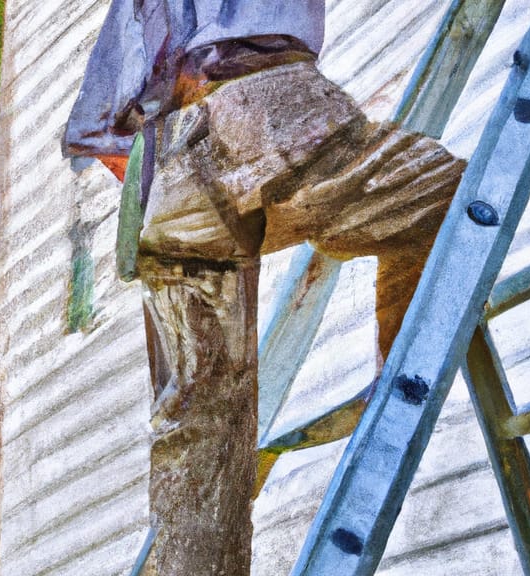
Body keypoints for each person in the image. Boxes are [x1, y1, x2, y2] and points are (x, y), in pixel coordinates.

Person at [62, 1, 465, 573]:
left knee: (199, 433)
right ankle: (397, 375)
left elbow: (102, 140)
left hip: (169, 175)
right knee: (448, 193)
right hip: (271, 102)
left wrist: (184, 225)